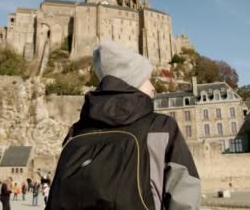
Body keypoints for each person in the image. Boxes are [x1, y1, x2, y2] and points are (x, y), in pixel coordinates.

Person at [45, 40, 201, 209]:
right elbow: (185, 196)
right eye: (147, 79)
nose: (153, 87)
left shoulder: (76, 133)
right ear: (133, 83)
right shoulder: (161, 127)